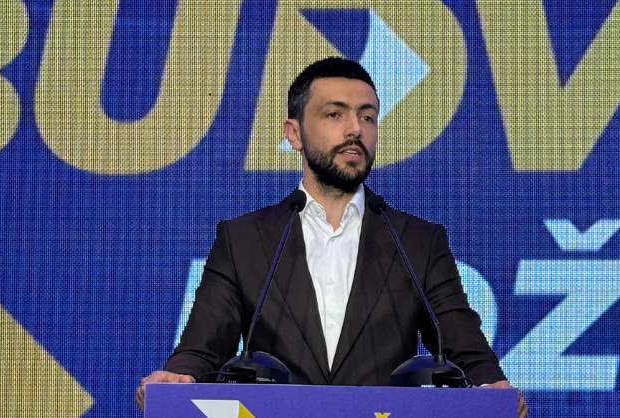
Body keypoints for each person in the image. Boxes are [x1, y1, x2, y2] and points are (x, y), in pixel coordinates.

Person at [136, 57, 527, 417]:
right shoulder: (244, 240)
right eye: (334, 114)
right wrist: (176, 378)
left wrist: (493, 387)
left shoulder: (418, 242)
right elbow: (201, 351)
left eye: (367, 117)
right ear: (294, 133)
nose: (355, 129)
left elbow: (467, 352)